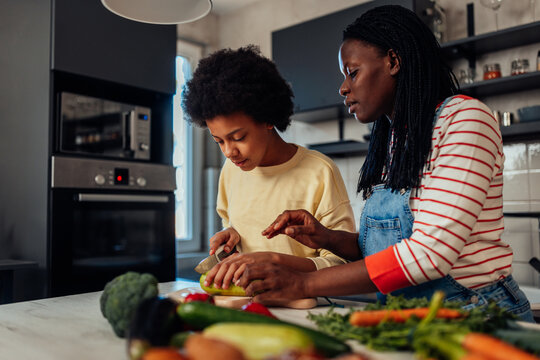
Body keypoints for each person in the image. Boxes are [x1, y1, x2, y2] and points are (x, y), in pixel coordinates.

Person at [237, 5, 535, 322]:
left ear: (393, 61)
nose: (343, 88)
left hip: (478, 314)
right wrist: (328, 238)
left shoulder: (464, 120)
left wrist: (303, 283)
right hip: (407, 316)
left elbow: (429, 255)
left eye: (352, 72)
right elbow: (390, 250)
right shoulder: (394, 139)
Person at [181, 45, 356, 290]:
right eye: (219, 141)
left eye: (239, 137)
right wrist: (230, 239)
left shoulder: (320, 171)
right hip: (247, 304)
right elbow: (237, 229)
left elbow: (341, 263)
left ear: (267, 119)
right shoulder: (230, 172)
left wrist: (275, 262)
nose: (229, 152)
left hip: (302, 306)